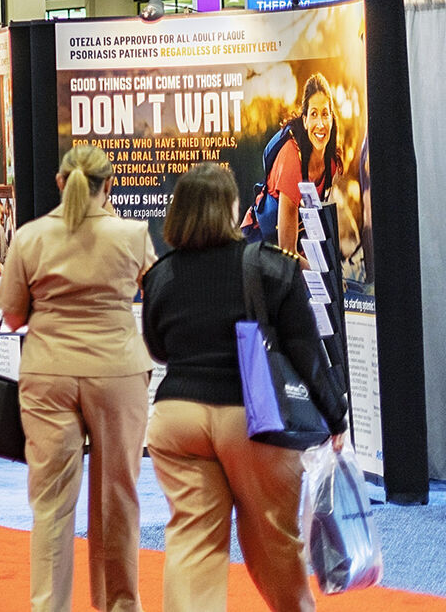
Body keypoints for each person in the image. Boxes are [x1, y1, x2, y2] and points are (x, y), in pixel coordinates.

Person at [143, 163, 349, 612]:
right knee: (273, 538)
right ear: (229, 209)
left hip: (175, 419)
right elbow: (306, 352)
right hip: (253, 418)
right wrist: (336, 415)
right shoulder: (271, 267)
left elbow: (157, 348)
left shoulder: (161, 274)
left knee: (191, 541)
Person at [0, 144, 157, 612]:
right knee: (118, 500)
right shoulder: (133, 235)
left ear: (60, 181)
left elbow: (12, 317)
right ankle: (121, 606)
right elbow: (159, 297)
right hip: (119, 372)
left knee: (50, 504)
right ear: (109, 185)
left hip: (48, 372)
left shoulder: (29, 238)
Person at [260, 74, 346, 255]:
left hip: (293, 252)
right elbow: (287, 252)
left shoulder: (330, 164)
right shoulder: (292, 157)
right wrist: (325, 276)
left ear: (332, 117)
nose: (320, 124)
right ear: (305, 120)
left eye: (325, 113)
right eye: (313, 114)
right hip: (261, 247)